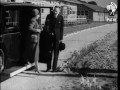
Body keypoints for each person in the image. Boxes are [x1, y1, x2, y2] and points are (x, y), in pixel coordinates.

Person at [20, 8, 41, 73]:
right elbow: (29, 28)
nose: (39, 16)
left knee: (31, 52)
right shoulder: (33, 20)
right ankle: (37, 69)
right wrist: (37, 30)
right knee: (35, 54)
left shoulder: (34, 20)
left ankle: (27, 62)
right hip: (34, 39)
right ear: (36, 15)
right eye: (38, 14)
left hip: (34, 39)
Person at [44, 6, 64, 72]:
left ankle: (54, 68)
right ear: (53, 10)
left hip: (57, 37)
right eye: (54, 11)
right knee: (49, 52)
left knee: (56, 52)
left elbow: (62, 29)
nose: (55, 12)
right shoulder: (49, 16)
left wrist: (61, 38)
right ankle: (48, 67)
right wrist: (49, 32)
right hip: (50, 36)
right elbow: (46, 26)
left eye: (56, 11)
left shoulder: (61, 17)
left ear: (59, 11)